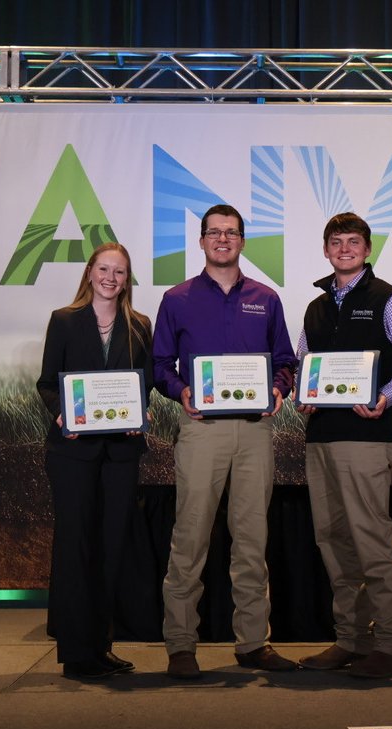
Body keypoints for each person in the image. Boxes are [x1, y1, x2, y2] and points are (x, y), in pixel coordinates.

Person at [153, 204, 299, 679]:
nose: (222, 239)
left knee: (252, 540)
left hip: (255, 431)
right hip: (202, 431)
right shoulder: (177, 299)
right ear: (201, 241)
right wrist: (182, 391)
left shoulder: (266, 298)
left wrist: (277, 389)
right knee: (190, 537)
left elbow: (285, 361)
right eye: (214, 232)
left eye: (231, 232)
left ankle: (253, 642)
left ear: (242, 241)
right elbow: (160, 365)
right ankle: (180, 645)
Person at [294, 212, 392, 680]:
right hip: (320, 437)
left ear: (367, 249)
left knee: (372, 540)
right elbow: (303, 364)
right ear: (326, 250)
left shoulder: (389, 299)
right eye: (336, 242)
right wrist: (301, 394)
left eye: (353, 242)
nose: (344, 249)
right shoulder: (315, 307)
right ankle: (351, 641)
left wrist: (386, 396)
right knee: (334, 541)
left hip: (366, 437)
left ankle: (391, 647)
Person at [36, 242, 153, 680]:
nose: (110, 278)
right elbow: (48, 383)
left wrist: (140, 412)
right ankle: (74, 652)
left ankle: (101, 647)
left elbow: (143, 385)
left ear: (127, 279)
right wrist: (62, 412)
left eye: (119, 272)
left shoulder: (139, 325)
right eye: (104, 269)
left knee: (110, 548)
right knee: (75, 547)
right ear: (89, 272)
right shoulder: (64, 320)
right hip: (72, 453)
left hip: (120, 453)